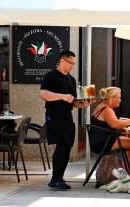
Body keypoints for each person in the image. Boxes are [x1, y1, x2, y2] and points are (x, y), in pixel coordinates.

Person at [40, 50, 94, 190]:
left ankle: (59, 176)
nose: (72, 66)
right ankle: (55, 179)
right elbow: (44, 94)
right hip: (54, 115)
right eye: (71, 63)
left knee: (67, 146)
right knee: (62, 145)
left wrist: (84, 104)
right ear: (62, 61)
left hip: (67, 116)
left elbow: (74, 102)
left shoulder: (71, 79)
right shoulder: (50, 76)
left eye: (74, 64)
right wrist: (62, 96)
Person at [90, 87, 130, 180]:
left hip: (102, 140)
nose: (120, 100)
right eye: (118, 98)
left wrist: (123, 128)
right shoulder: (106, 110)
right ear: (112, 98)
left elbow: (110, 123)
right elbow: (115, 124)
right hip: (102, 143)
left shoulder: (103, 106)